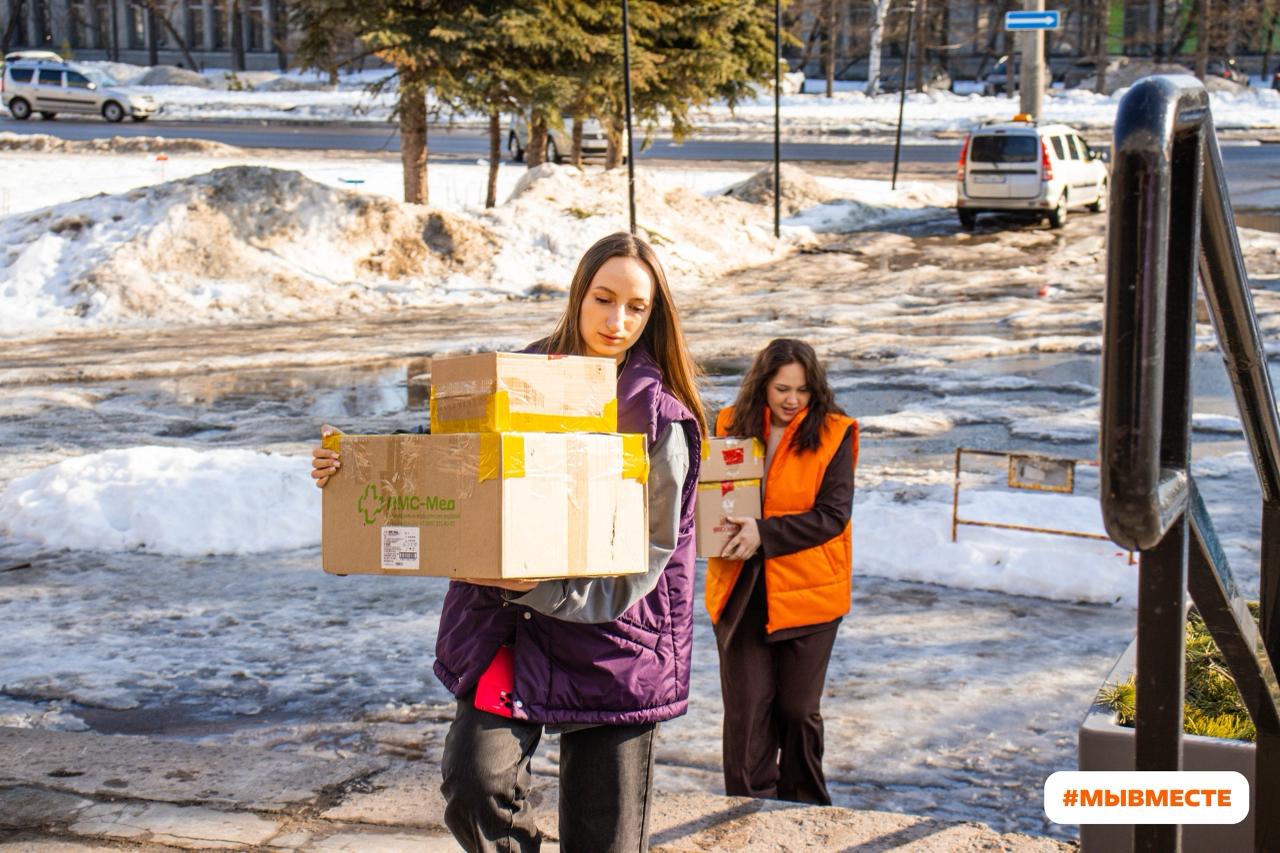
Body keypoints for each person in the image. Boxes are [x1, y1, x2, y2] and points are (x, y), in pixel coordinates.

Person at [310, 232, 705, 853]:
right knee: (474, 784)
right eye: (604, 299)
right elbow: (444, 454)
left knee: (604, 843)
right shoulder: (514, 378)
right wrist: (352, 461)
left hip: (616, 644)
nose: (617, 320)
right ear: (579, 295)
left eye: (636, 308)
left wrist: (550, 587)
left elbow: (652, 555)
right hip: (509, 627)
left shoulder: (661, 418)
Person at [705, 338, 858, 806]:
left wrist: (764, 534)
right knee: (748, 712)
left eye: (803, 390)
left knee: (797, 711)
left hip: (810, 590)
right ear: (762, 386)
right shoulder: (730, 421)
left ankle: (807, 810)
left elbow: (833, 515)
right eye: (782, 389)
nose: (792, 400)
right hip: (741, 587)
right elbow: (717, 493)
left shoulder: (835, 432)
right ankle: (747, 810)